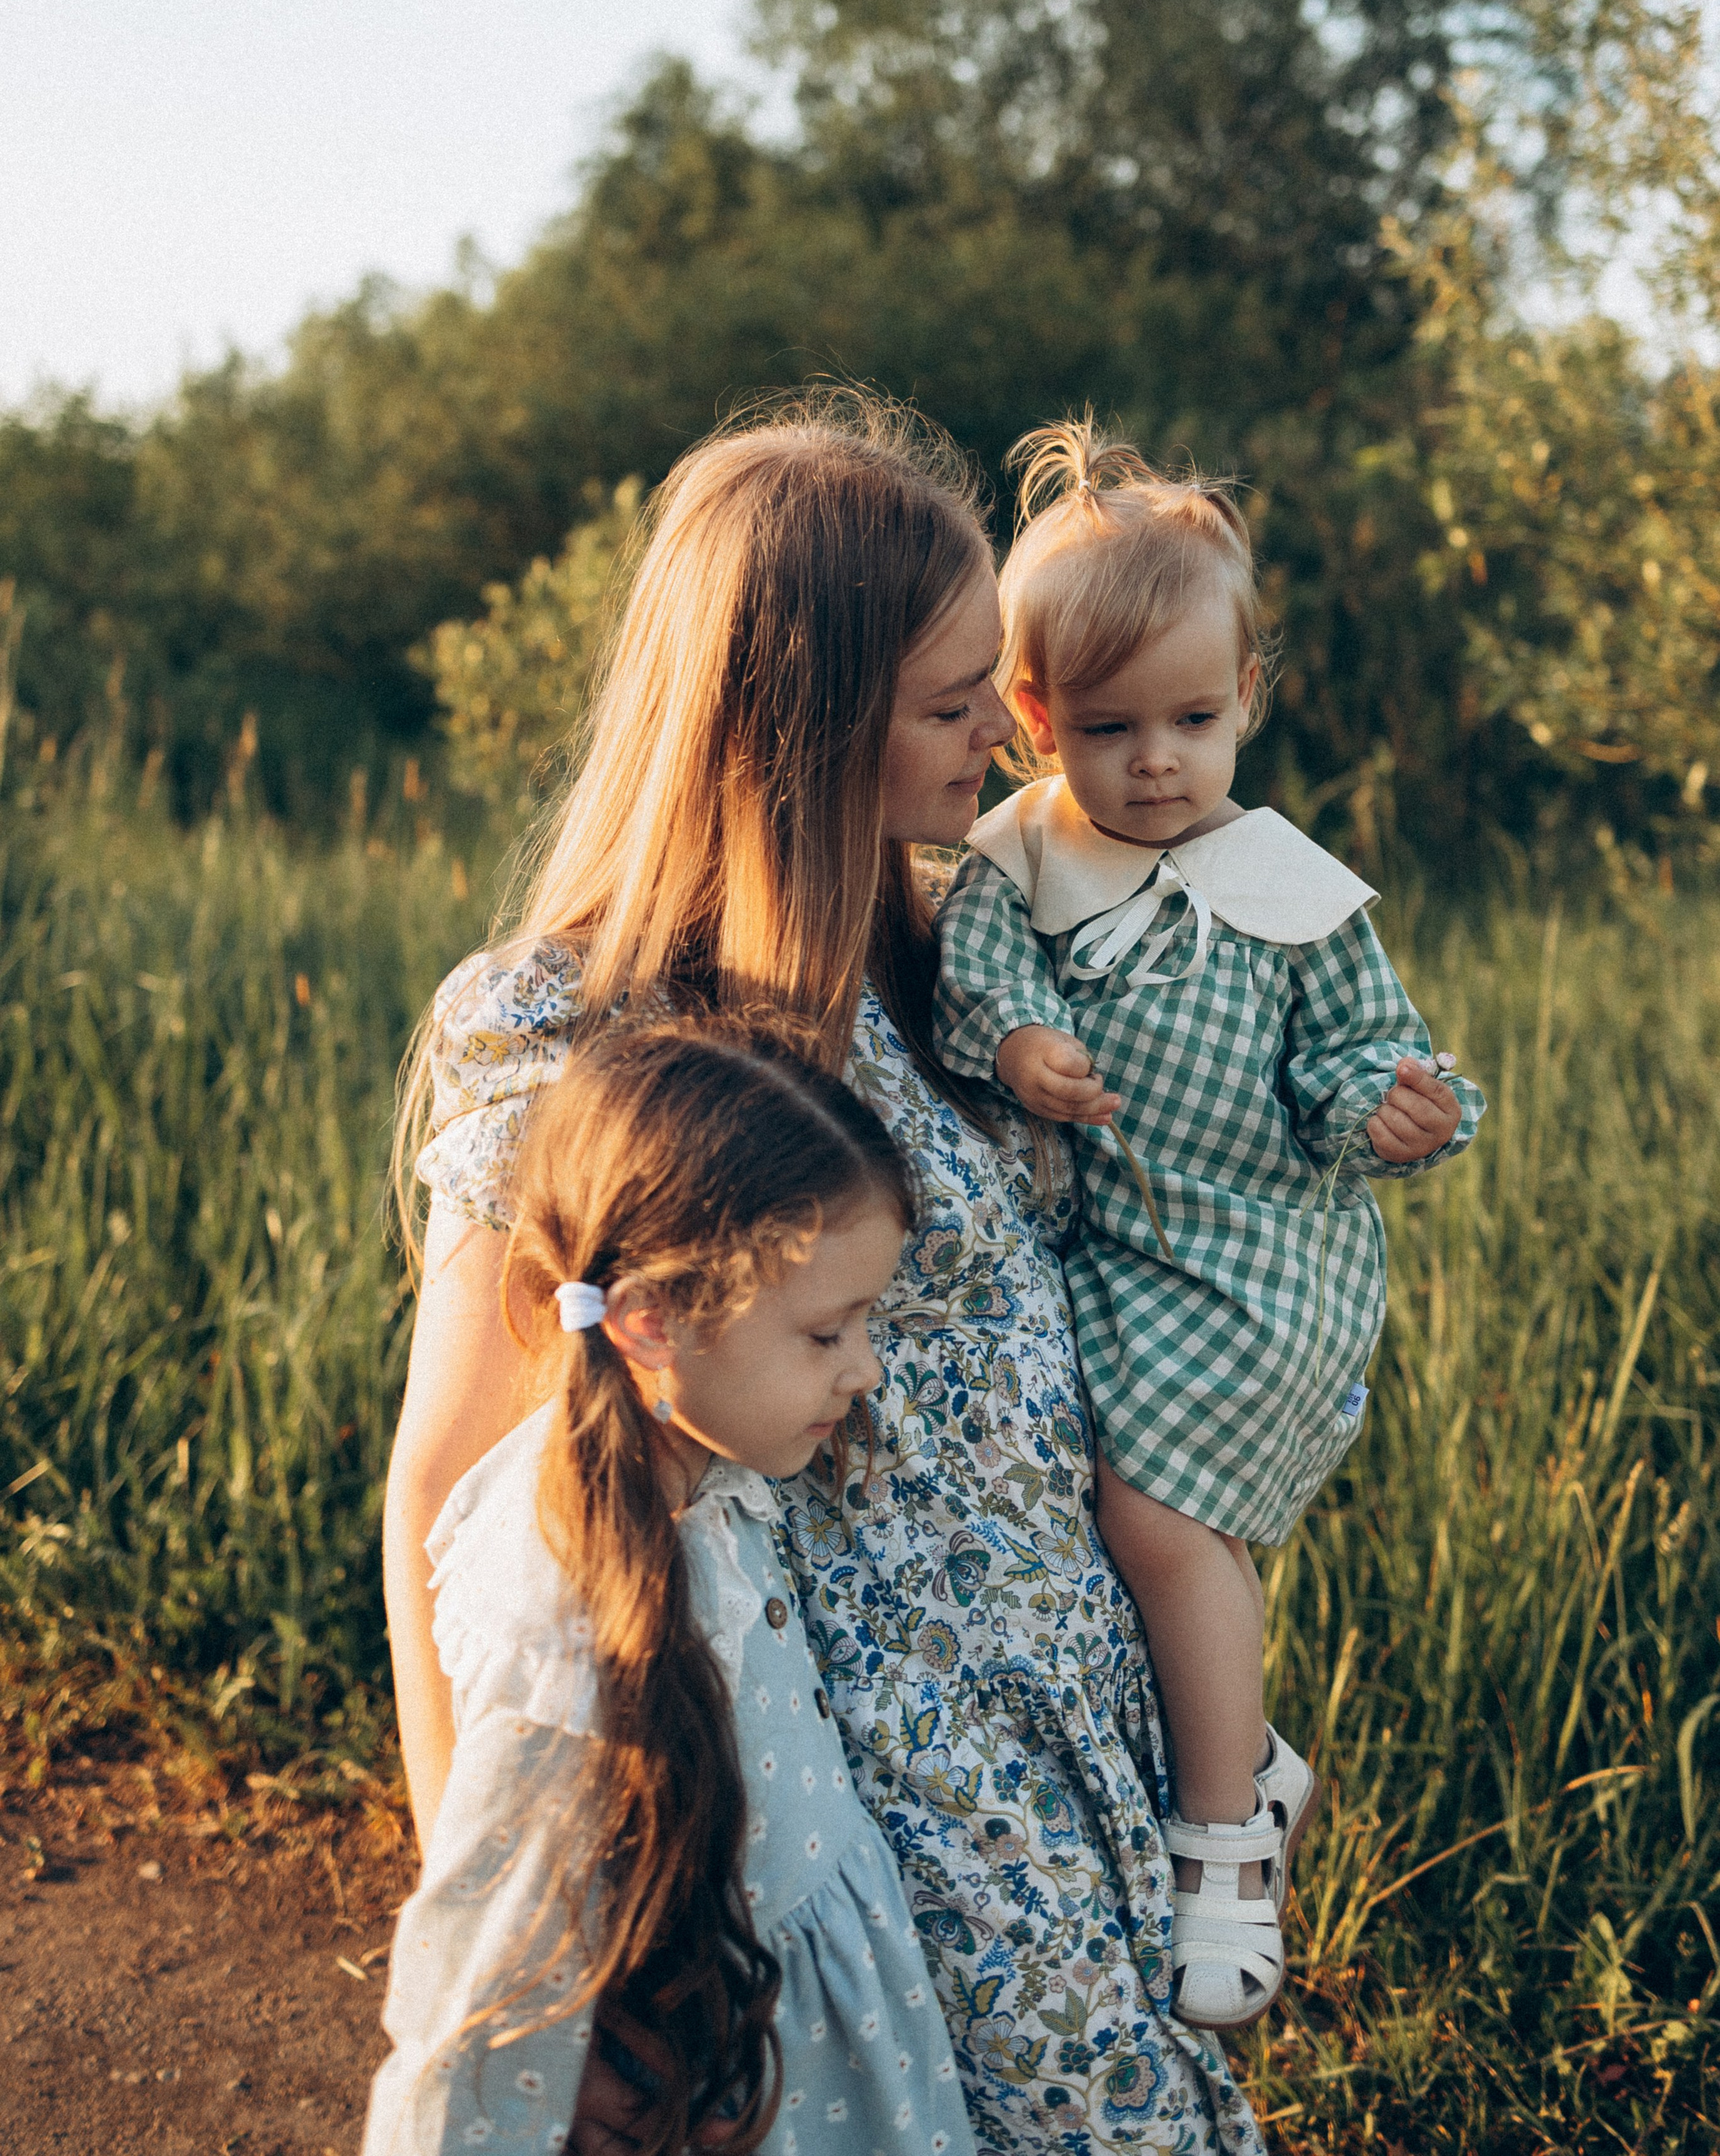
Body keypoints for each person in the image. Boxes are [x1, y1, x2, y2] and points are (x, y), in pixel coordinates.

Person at [390, 392, 1265, 2154]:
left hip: (1063, 1777)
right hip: (852, 1829)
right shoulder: (574, 1033)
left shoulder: (934, 978)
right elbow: (450, 1506)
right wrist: (512, 1933)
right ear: (795, 730)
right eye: (953, 708)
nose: (1000, 748)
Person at [934, 422, 1486, 2032]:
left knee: (1158, 1517)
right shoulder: (1019, 854)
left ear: (1248, 698)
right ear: (1032, 717)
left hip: (1258, 1262)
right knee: (1123, 1520)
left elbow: (1362, 1048)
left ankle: (1223, 1837)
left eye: (1190, 718)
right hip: (1114, 1263)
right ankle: (1232, 1738)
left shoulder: (1286, 881)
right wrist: (1016, 1044)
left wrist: (1397, 1103)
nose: (1155, 762)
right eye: (1106, 727)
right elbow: (981, 978)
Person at [364, 1019, 976, 2156]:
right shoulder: (560, 1601)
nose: (866, 1366)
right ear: (653, 1321)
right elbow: (483, 2000)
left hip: (817, 2034)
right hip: (729, 2083)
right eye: (827, 1331)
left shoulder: (713, 1470)